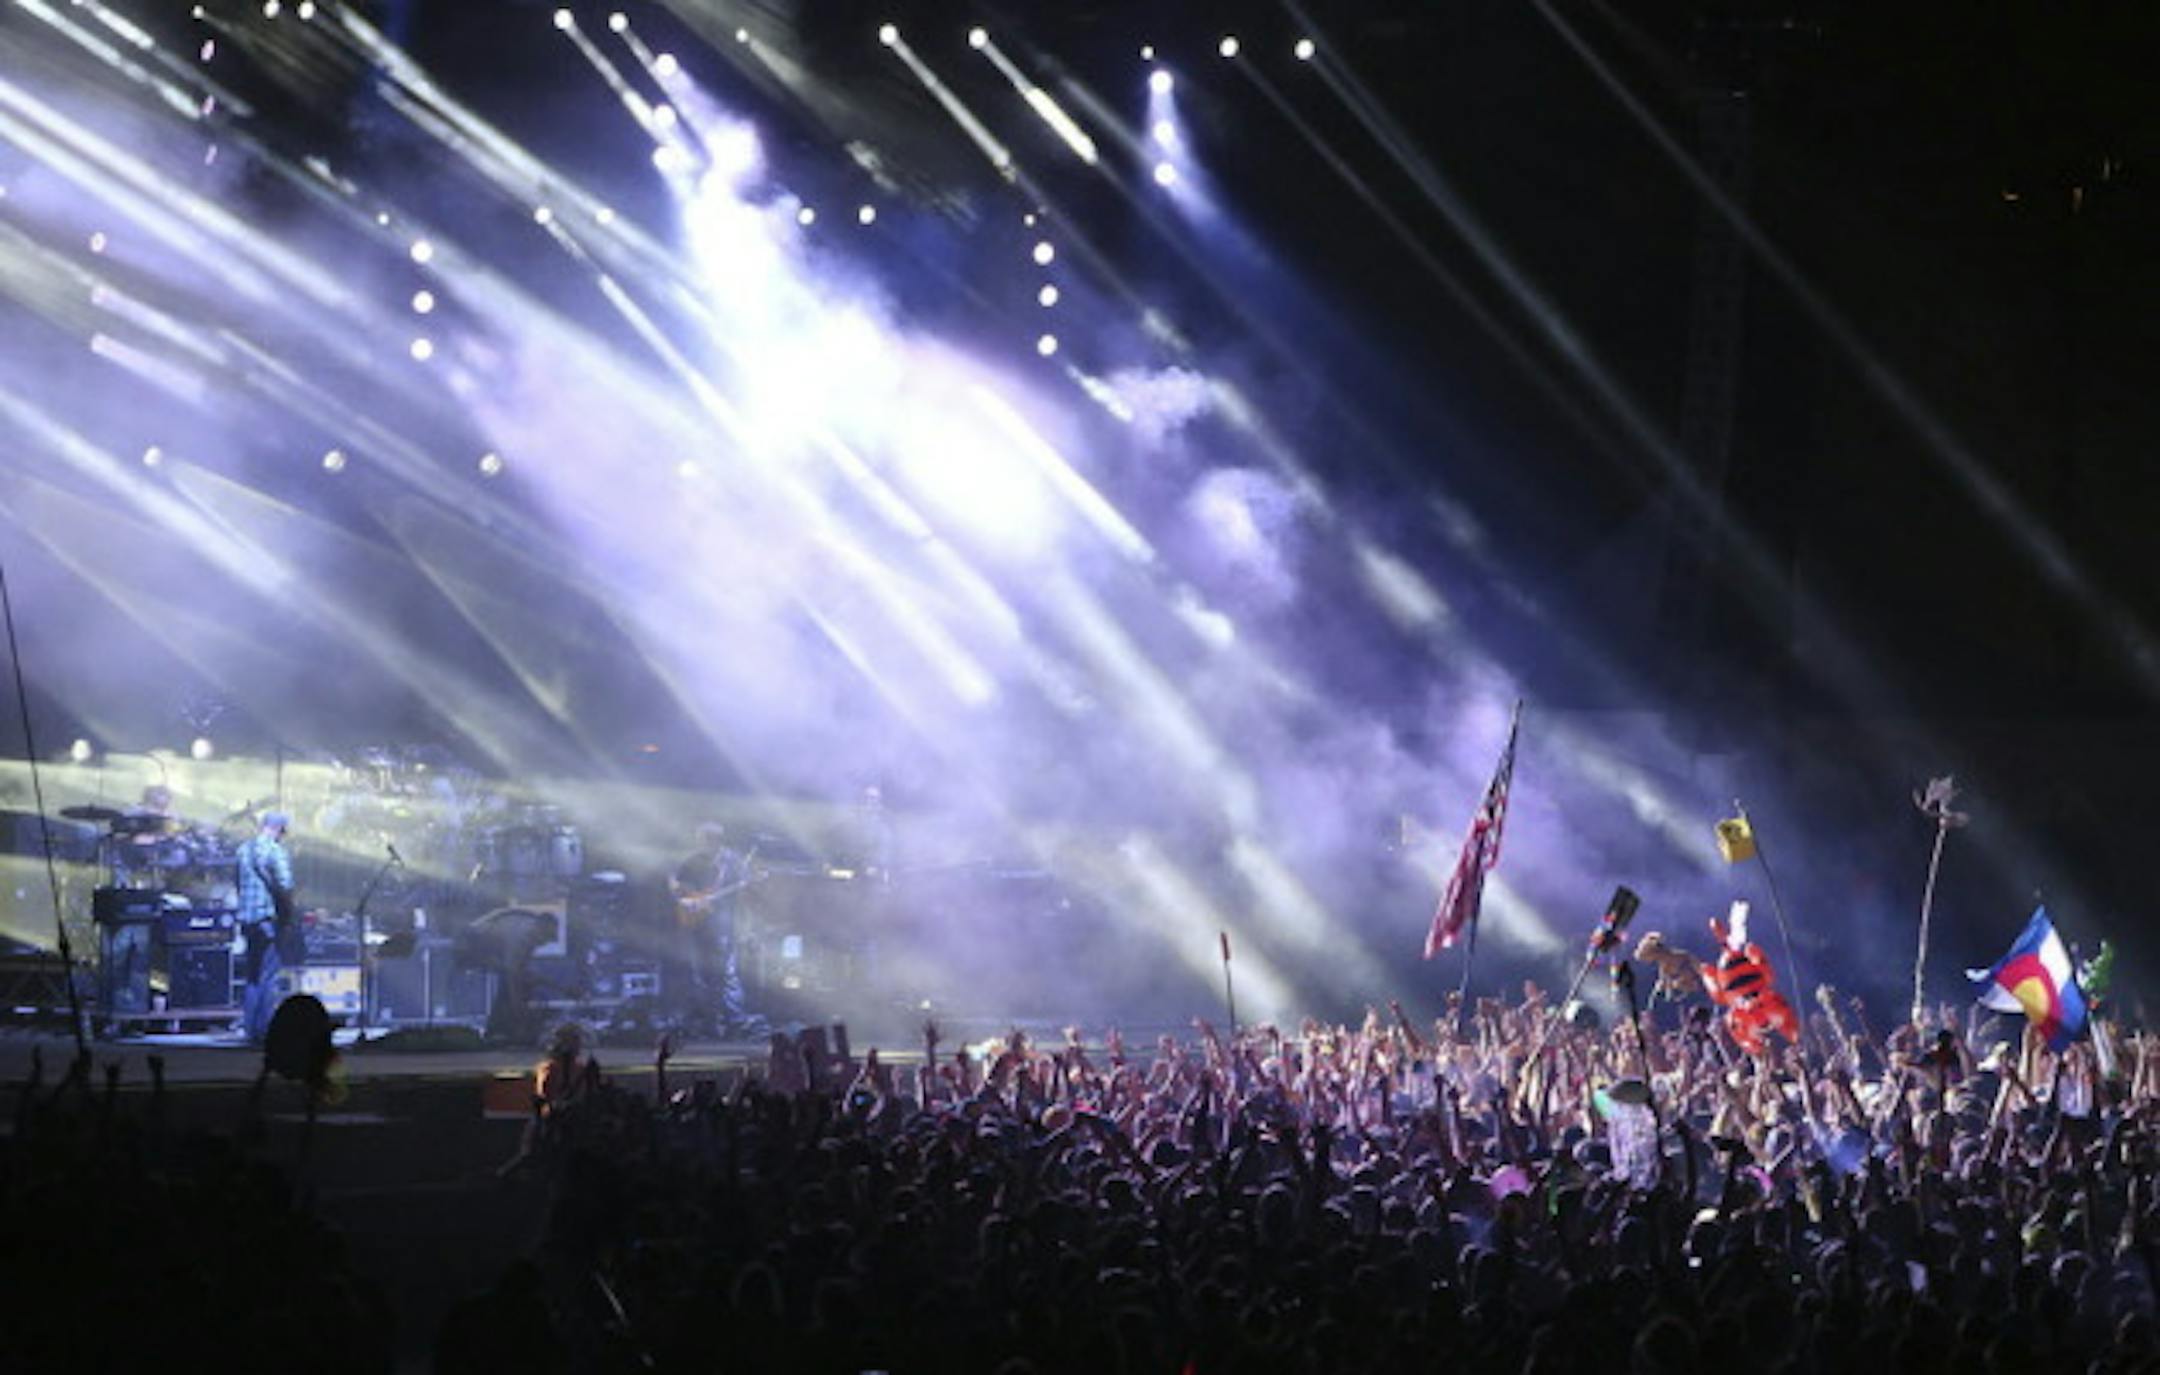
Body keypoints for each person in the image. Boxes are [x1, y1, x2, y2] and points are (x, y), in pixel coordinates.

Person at [667, 822, 755, 1036]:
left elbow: (747, 886)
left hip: (723, 921)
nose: (703, 843)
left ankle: (735, 1021)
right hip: (698, 922)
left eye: (708, 839)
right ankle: (709, 1021)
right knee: (700, 972)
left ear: (717, 839)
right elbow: (674, 884)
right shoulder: (691, 861)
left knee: (726, 972)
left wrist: (746, 886)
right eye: (701, 839)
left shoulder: (732, 861)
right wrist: (686, 900)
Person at [234, 811, 296, 1044]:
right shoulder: (275, 851)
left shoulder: (243, 849)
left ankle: (250, 1029)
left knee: (253, 975)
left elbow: (238, 883)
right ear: (279, 829)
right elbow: (285, 887)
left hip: (248, 920)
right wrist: (289, 918)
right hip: (268, 920)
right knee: (268, 975)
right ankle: (264, 1029)